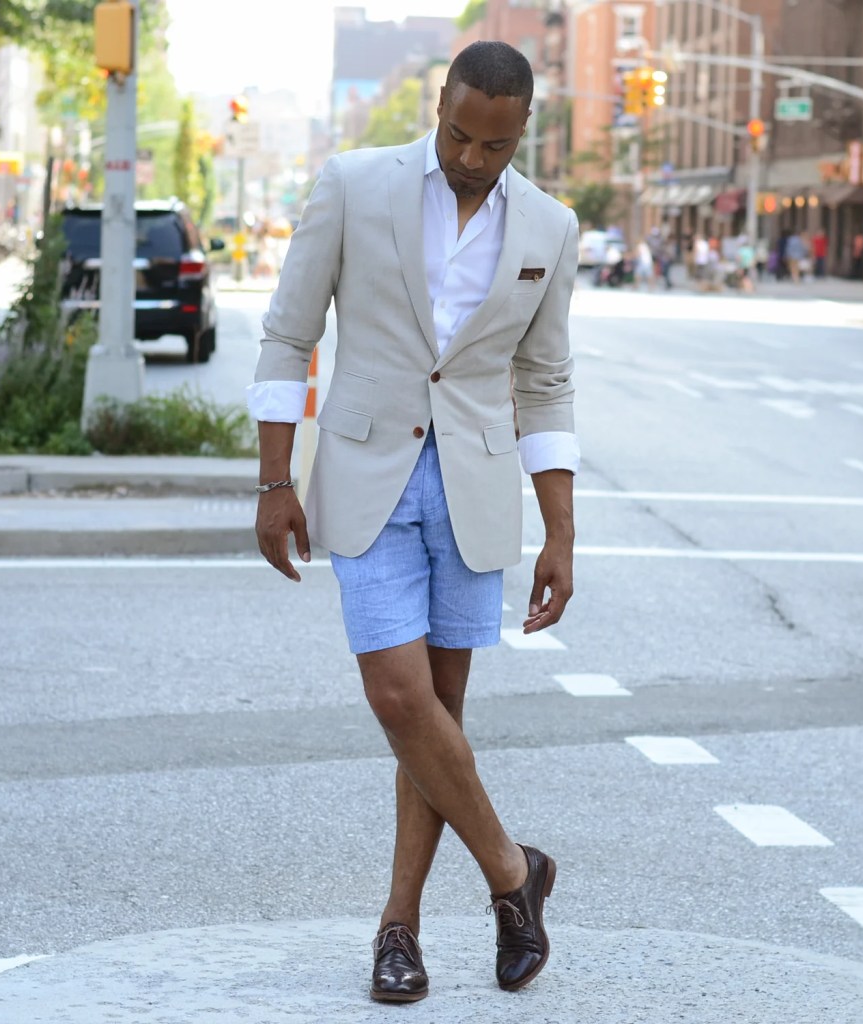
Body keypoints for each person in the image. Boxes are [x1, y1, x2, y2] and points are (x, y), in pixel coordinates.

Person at [248, 41, 577, 1003]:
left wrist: (561, 531)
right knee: (401, 700)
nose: (472, 158)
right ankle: (514, 872)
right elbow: (290, 332)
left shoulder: (550, 226)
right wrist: (275, 479)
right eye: (459, 134)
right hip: (367, 474)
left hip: (474, 486)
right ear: (440, 103)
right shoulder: (355, 185)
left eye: (495, 145)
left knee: (437, 722)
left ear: (523, 130)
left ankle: (400, 930)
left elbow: (546, 382)